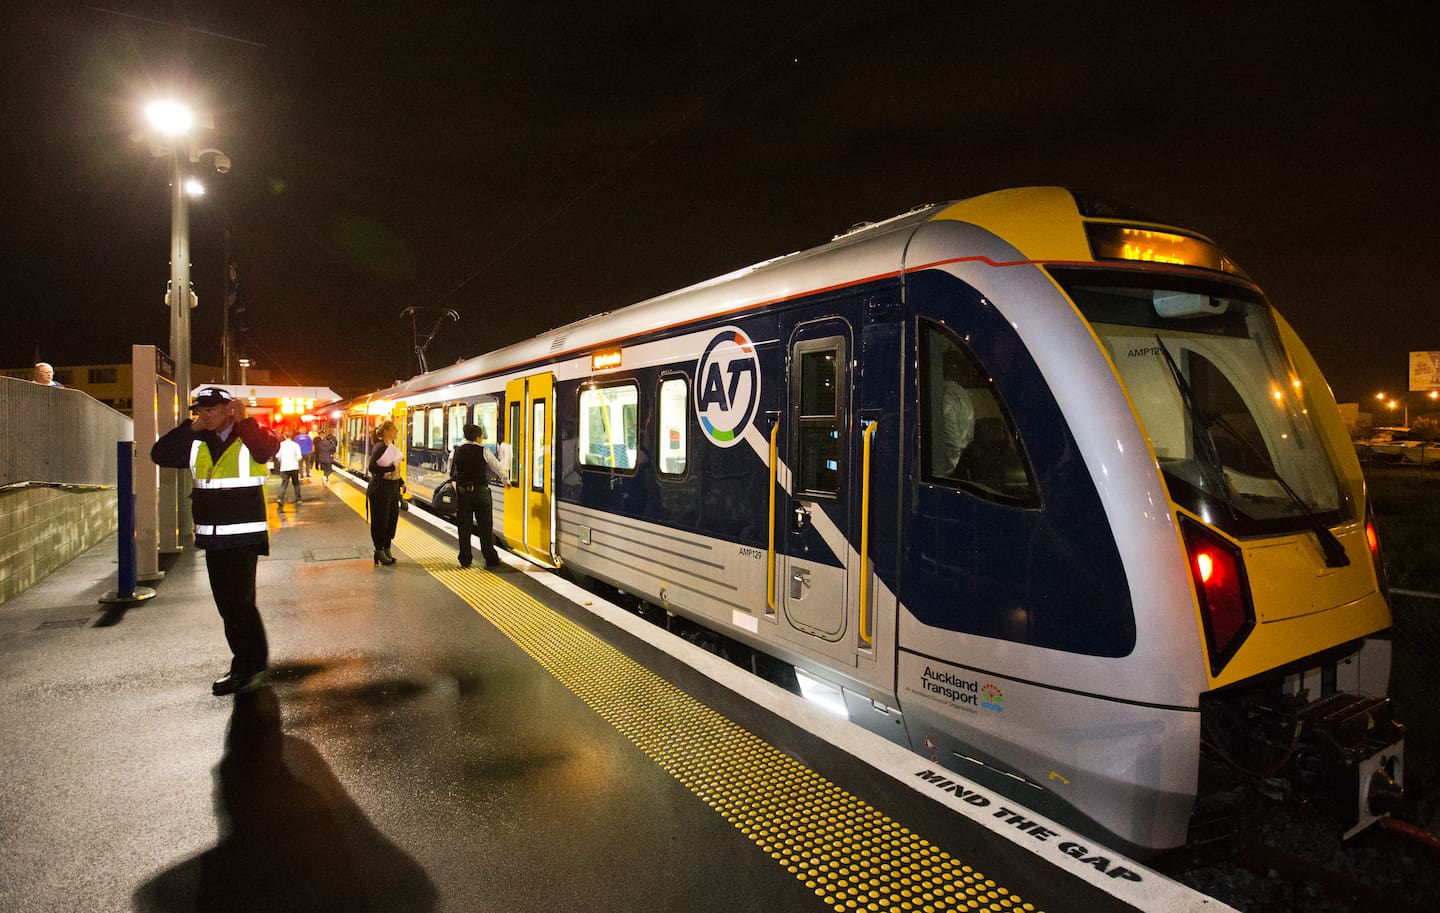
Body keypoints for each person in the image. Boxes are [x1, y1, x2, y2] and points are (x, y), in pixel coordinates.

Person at [150, 387, 280, 696]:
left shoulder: (250, 436)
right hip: (213, 537)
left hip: (245, 536)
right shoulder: (197, 440)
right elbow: (160, 454)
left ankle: (250, 666)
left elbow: (266, 450)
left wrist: (245, 422)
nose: (204, 415)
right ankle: (247, 664)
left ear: (229, 409)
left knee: (240, 604)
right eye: (200, 410)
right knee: (228, 606)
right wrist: (191, 426)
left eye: (212, 409)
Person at [448, 423, 507, 569]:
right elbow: (496, 466)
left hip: (463, 493)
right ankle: (490, 557)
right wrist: (506, 480)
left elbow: (450, 470)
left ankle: (465, 558)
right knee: (485, 527)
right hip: (481, 493)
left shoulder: (456, 451)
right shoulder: (484, 451)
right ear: (478, 437)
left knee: (464, 527)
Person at [367, 420, 405, 566]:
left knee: (391, 519)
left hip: (392, 489)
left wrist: (401, 482)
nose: (396, 432)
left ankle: (387, 548)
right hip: (380, 490)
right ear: (387, 431)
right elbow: (372, 467)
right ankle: (379, 550)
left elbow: (394, 467)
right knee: (380, 521)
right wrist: (389, 469)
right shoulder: (380, 447)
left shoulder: (391, 447)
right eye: (394, 429)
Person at [934, 349, 975, 478]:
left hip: (952, 469)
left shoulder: (946, 395)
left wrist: (944, 473)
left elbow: (950, 441)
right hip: (962, 463)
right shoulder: (964, 395)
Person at [275, 431, 303, 507]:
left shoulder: (281, 445)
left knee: (284, 483)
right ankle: (298, 499)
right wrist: (295, 460)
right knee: (296, 483)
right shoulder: (296, 445)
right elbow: (299, 456)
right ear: (292, 436)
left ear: (284, 436)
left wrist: (281, 460)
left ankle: (280, 498)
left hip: (284, 467)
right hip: (294, 467)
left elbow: (277, 455)